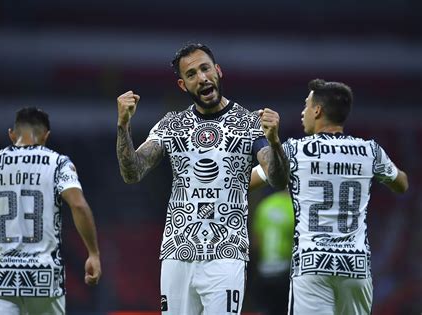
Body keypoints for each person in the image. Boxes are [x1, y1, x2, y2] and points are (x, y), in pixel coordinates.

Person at [116, 42, 289, 314]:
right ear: (183, 85)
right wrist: (123, 125)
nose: (202, 77)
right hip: (177, 252)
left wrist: (275, 142)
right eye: (192, 74)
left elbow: (277, 179)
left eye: (205, 68)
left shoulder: (248, 123)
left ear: (218, 71)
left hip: (226, 254)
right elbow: (132, 172)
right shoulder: (172, 125)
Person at [260, 79, 407, 314]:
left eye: (306, 106)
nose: (303, 112)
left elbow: (261, 178)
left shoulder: (295, 149)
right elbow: (401, 184)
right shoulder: (369, 150)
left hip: (313, 263)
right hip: (355, 265)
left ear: (317, 110)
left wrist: (269, 143)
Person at [0, 107, 102, 315]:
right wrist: (93, 253)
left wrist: (0, 242)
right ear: (46, 136)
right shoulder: (59, 164)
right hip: (44, 277)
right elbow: (78, 205)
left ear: (11, 134)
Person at [251, 189, 294, 315]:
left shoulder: (265, 204)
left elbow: (256, 241)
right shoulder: (295, 206)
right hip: (286, 273)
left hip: (264, 271)